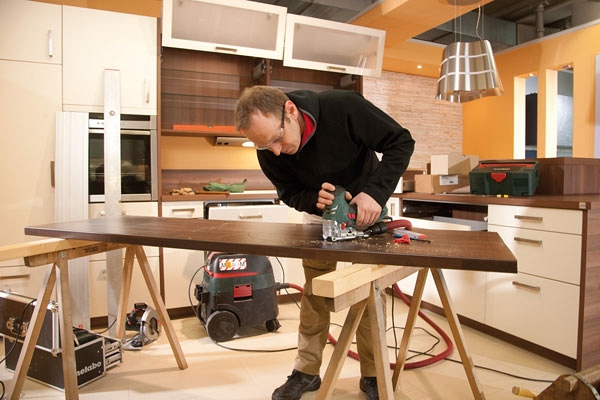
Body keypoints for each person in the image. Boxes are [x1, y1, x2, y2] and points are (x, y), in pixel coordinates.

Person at [235, 86, 414, 400]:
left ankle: (373, 374)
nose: (274, 152)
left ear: (290, 111)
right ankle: (306, 372)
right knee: (315, 294)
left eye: (277, 138)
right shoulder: (269, 149)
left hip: (367, 214)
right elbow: (289, 192)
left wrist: (374, 194)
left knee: (369, 295)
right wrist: (313, 201)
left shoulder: (344, 108)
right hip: (319, 220)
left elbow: (401, 142)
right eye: (264, 146)